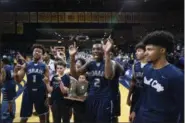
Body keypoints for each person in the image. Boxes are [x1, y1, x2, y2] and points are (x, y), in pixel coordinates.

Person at [130, 31, 184, 123]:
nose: (145, 53)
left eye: (150, 49)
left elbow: (182, 107)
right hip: (141, 116)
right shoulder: (146, 69)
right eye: (145, 49)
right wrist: (135, 110)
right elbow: (143, 93)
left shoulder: (176, 75)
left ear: (162, 51)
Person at [69, 39, 121, 123]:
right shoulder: (90, 63)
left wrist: (107, 53)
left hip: (105, 98)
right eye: (93, 49)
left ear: (103, 50)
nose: (95, 51)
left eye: (98, 49)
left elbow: (108, 76)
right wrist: (72, 57)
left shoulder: (110, 63)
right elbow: (75, 75)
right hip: (91, 97)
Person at [14, 44, 49, 123]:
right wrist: (15, 72)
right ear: (32, 52)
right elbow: (18, 80)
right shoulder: (26, 65)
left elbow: (47, 83)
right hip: (28, 92)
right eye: (35, 51)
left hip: (40, 92)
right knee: (24, 117)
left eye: (39, 52)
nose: (37, 53)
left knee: (42, 116)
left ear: (42, 54)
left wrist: (47, 96)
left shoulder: (45, 66)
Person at [127, 42, 148, 113]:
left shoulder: (152, 66)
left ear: (145, 52)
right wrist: (128, 97)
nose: (136, 53)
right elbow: (133, 82)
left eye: (139, 51)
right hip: (136, 96)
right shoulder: (135, 66)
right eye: (136, 51)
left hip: (147, 98)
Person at [0, 56, 16, 123]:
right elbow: (14, 74)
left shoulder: (3, 68)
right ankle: (10, 110)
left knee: (8, 99)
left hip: (7, 84)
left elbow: (3, 79)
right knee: (11, 98)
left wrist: (1, 82)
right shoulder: (11, 66)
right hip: (13, 83)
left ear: (3, 62)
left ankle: (10, 112)